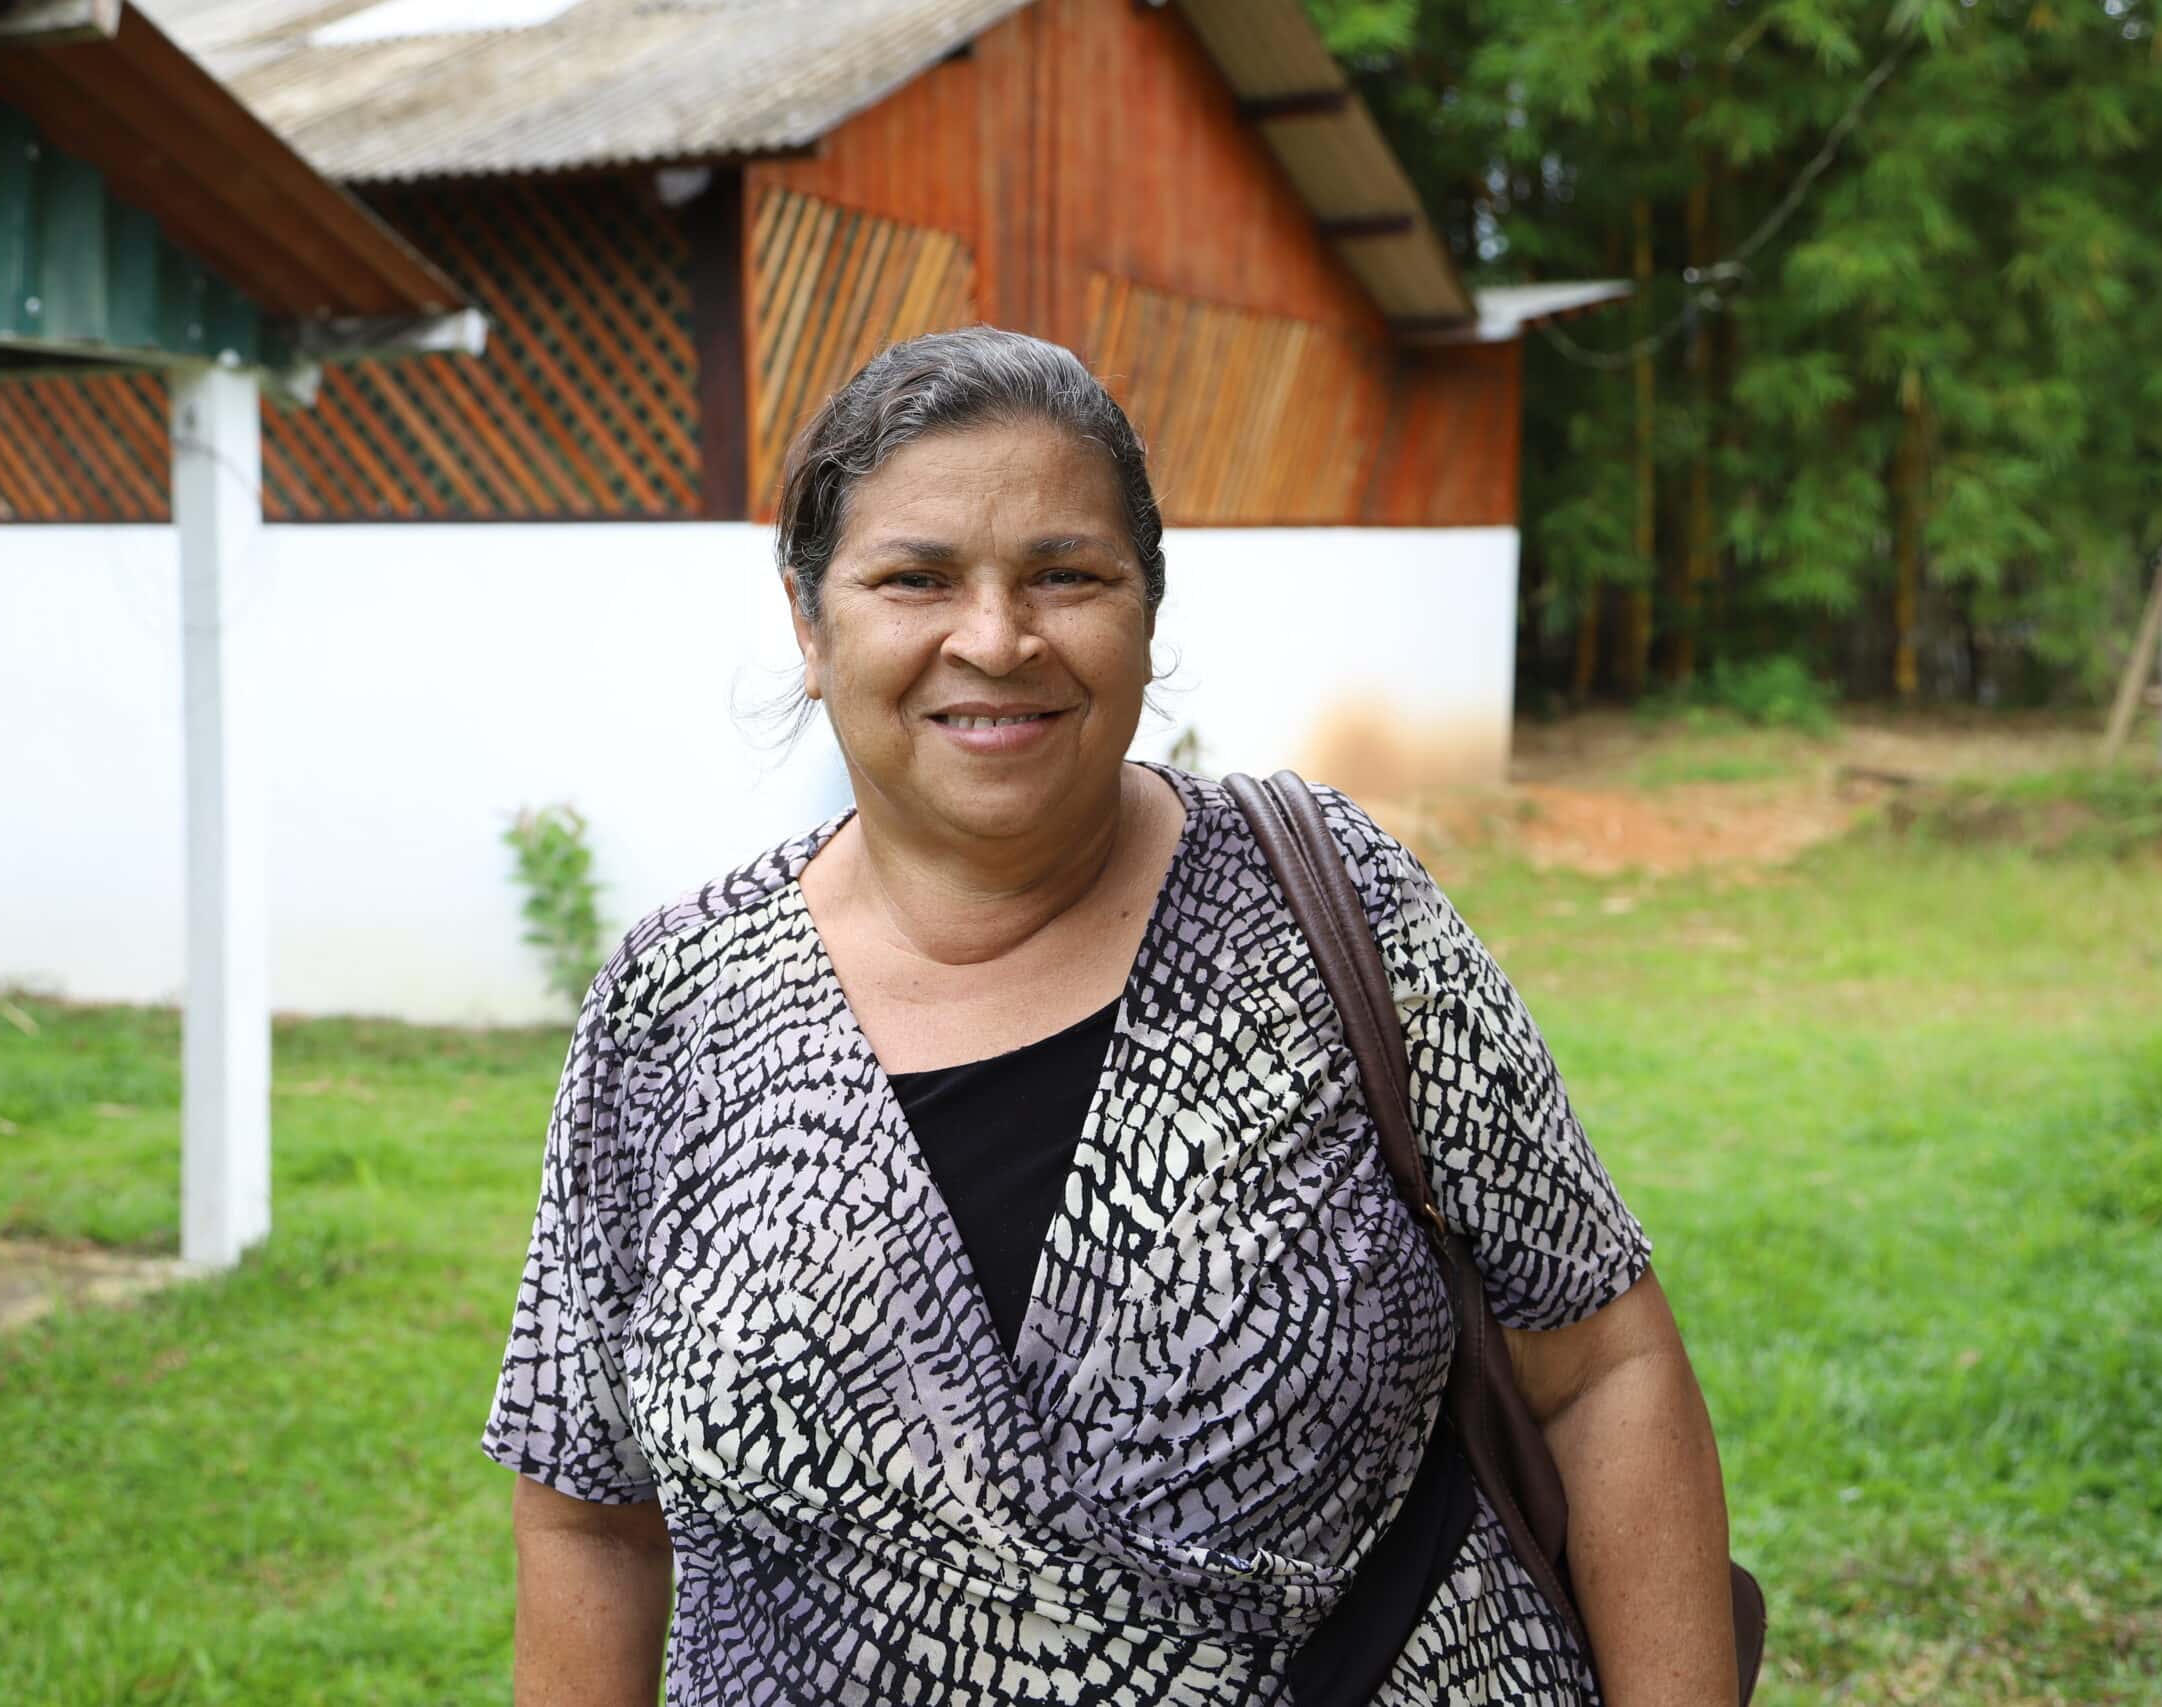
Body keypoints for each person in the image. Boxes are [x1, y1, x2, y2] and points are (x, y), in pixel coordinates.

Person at [483, 327, 1741, 1705]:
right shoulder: (676, 1011)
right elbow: (588, 1516)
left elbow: (1602, 1367)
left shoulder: (1326, 902)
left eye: (1064, 575)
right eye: (916, 578)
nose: (996, 638)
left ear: (1145, 606)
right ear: (810, 621)